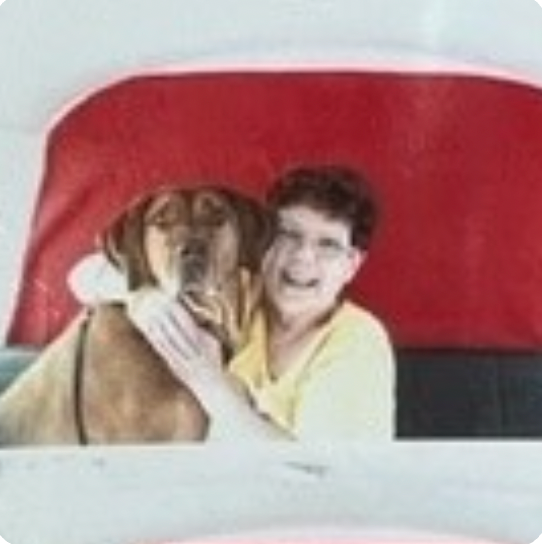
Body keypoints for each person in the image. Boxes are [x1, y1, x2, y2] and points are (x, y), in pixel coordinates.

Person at [126, 165, 396, 440]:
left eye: (328, 245)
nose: (303, 257)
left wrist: (208, 381)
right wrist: (145, 300)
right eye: (289, 235)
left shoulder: (358, 340)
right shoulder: (241, 296)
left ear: (351, 265)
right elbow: (99, 272)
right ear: (264, 240)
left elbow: (314, 465)